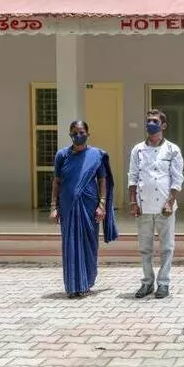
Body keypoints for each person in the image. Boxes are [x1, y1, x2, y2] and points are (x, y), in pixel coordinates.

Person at [50, 120, 118, 298]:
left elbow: (103, 180)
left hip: (89, 205)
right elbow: (56, 181)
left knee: (89, 244)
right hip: (68, 206)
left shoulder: (96, 155)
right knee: (70, 244)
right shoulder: (62, 155)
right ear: (70, 134)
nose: (78, 135)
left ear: (88, 133)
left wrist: (102, 205)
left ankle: (86, 282)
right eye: (74, 132)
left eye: (81, 132)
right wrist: (54, 206)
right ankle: (73, 286)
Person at [127, 109, 184, 299]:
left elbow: (177, 179)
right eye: (148, 121)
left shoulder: (172, 150)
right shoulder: (138, 149)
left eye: (155, 121)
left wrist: (170, 202)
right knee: (145, 248)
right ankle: (147, 282)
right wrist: (132, 201)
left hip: (164, 208)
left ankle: (164, 283)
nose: (151, 124)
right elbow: (132, 177)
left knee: (167, 247)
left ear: (163, 125)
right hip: (143, 207)